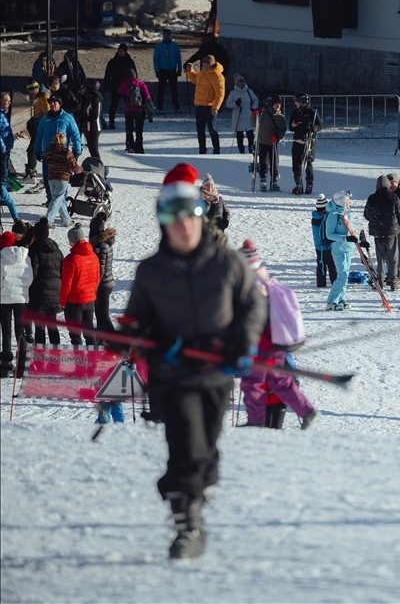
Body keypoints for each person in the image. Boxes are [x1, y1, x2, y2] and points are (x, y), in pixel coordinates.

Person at [122, 162, 264, 559]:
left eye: (190, 216)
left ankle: (185, 490)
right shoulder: (151, 271)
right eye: (172, 218)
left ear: (202, 216)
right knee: (186, 443)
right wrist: (148, 342)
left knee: (207, 447)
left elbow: (251, 306)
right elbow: (136, 321)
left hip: (216, 370)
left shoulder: (227, 262)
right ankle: (187, 525)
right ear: (163, 222)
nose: (183, 225)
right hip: (173, 374)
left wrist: (242, 346)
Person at [237, 239, 318, 429]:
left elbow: (251, 319)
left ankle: (256, 420)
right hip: (276, 342)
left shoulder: (251, 286)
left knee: (251, 382)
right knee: (279, 380)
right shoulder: (268, 280)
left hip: (260, 344)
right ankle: (306, 410)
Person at [58, 221, 99, 346]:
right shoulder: (93, 256)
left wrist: (62, 303)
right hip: (90, 300)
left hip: (74, 302)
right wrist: (92, 293)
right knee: (89, 333)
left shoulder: (70, 259)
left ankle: (80, 362)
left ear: (72, 240)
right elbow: (97, 279)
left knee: (75, 336)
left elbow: (66, 284)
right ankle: (93, 360)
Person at [364, 175, 400, 291]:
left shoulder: (372, 198)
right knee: (393, 256)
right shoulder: (393, 197)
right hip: (391, 231)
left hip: (377, 231)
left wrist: (375, 220)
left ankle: (380, 280)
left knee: (380, 256)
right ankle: (393, 280)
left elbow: (366, 215)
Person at [25, 218, 63, 345]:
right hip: (55, 293)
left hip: (39, 294)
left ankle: (40, 357)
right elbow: (63, 271)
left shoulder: (34, 250)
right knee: (52, 326)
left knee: (40, 327)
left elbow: (33, 274)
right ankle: (55, 354)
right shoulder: (57, 250)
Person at [0, 230, 32, 379]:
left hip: (4, 300)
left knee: (6, 332)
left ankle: (5, 366)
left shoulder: (1, 258)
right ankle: (21, 365)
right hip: (21, 299)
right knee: (20, 332)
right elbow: (30, 278)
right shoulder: (26, 257)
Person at [185, 56, 225, 155]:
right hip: (199, 106)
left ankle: (216, 150)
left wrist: (215, 107)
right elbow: (195, 79)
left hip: (210, 108)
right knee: (200, 131)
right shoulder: (202, 72)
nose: (202, 64)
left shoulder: (217, 76)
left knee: (212, 130)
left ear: (209, 64)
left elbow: (220, 93)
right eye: (202, 62)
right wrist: (190, 71)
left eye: (204, 63)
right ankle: (202, 150)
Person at [324, 190, 355, 311]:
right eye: (347, 200)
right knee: (342, 275)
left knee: (345, 275)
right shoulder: (333, 215)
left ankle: (342, 299)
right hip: (339, 248)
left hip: (348, 248)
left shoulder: (346, 214)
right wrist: (345, 238)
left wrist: (355, 240)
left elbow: (350, 231)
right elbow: (329, 234)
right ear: (342, 201)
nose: (350, 202)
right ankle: (331, 301)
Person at [43, 131, 79, 227]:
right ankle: (48, 221)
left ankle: (66, 220)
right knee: (56, 199)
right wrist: (80, 169)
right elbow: (73, 165)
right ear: (64, 140)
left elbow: (48, 162)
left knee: (60, 199)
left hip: (51, 177)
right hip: (62, 178)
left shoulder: (49, 151)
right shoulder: (66, 152)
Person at [88, 214, 116, 333]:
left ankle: (114, 339)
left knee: (103, 315)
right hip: (104, 284)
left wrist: (95, 287)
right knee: (99, 314)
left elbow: (101, 270)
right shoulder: (103, 243)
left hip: (103, 285)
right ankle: (101, 339)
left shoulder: (101, 246)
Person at [289, 93, 321, 195]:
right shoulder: (295, 112)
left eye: (296, 101)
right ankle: (298, 184)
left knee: (308, 163)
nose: (294, 103)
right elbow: (291, 127)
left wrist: (313, 128)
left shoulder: (312, 112)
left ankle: (309, 184)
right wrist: (293, 126)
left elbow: (319, 125)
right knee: (296, 164)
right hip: (298, 140)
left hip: (308, 141)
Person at [252, 95, 285, 192]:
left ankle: (274, 181)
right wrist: (254, 116)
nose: (278, 106)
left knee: (274, 162)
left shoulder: (280, 117)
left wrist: (278, 136)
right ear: (271, 104)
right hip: (263, 141)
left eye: (280, 104)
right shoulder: (263, 114)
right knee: (263, 162)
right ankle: (263, 181)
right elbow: (253, 123)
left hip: (274, 143)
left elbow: (282, 129)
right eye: (276, 104)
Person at [118, 69, 153, 154]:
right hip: (139, 110)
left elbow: (119, 90)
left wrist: (124, 81)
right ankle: (139, 148)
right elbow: (147, 96)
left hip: (128, 110)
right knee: (139, 130)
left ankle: (130, 146)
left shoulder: (126, 84)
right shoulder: (141, 84)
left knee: (129, 130)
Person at [102, 43, 136, 129]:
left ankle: (130, 123)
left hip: (128, 88)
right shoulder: (112, 62)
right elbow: (107, 76)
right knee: (113, 106)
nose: (120, 52)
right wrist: (107, 89)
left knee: (130, 106)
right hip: (115, 88)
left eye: (122, 51)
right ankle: (111, 123)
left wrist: (135, 86)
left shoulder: (130, 61)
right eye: (119, 51)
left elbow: (135, 75)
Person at [225, 75, 258, 155]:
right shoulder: (233, 93)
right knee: (240, 137)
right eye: (240, 82)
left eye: (242, 81)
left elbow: (255, 99)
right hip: (238, 117)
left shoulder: (249, 91)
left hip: (248, 116)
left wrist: (253, 107)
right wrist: (235, 103)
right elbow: (228, 104)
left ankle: (251, 150)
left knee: (250, 136)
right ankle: (241, 152)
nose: (241, 83)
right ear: (236, 83)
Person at [153, 29, 183, 113]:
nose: (166, 36)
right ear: (163, 35)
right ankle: (160, 107)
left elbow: (178, 57)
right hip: (162, 70)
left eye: (168, 34)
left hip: (172, 71)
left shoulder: (175, 45)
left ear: (170, 35)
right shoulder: (159, 46)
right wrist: (157, 70)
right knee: (161, 90)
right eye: (165, 34)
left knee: (174, 90)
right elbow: (156, 59)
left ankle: (176, 107)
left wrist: (179, 69)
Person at [311, 193, 337, 289]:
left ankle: (320, 283)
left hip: (318, 246)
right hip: (329, 246)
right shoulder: (327, 218)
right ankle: (334, 282)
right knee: (332, 265)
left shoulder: (314, 218)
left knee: (321, 264)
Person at [24, 81, 50, 178]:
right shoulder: (40, 95)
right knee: (33, 149)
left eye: (31, 90)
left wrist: (36, 120)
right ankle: (31, 169)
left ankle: (31, 170)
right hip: (37, 126)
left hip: (40, 128)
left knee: (32, 149)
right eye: (29, 90)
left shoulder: (44, 97)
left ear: (37, 88)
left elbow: (47, 113)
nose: (31, 92)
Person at [0, 93, 18, 221]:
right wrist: (2, 148)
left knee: (5, 172)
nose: (9, 103)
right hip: (2, 150)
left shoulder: (3, 114)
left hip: (6, 149)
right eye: (7, 100)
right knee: (2, 174)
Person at [78, 79, 103, 159]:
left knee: (94, 150)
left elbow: (95, 116)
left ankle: (99, 167)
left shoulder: (96, 99)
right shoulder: (90, 97)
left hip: (94, 128)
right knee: (91, 150)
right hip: (88, 128)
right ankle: (95, 165)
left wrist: (82, 119)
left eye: (86, 87)